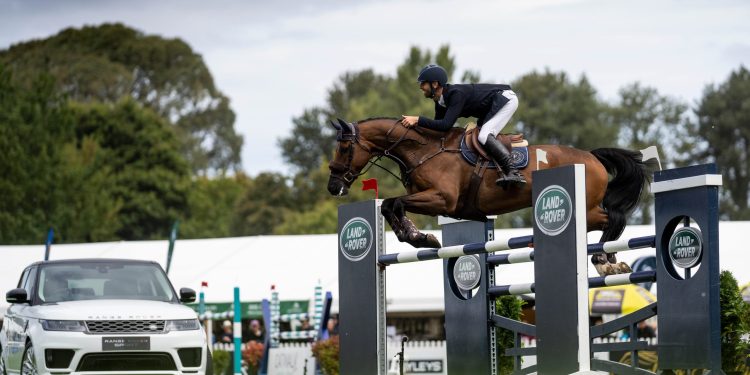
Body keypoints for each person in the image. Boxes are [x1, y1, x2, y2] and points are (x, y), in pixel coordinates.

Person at [402, 64, 525, 187]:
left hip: (505, 99)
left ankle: (513, 171)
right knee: (480, 134)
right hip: (491, 106)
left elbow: (445, 125)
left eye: (423, 83)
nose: (420, 87)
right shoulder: (440, 101)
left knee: (484, 136)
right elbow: (437, 130)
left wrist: (418, 120)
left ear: (435, 84)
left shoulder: (456, 94)